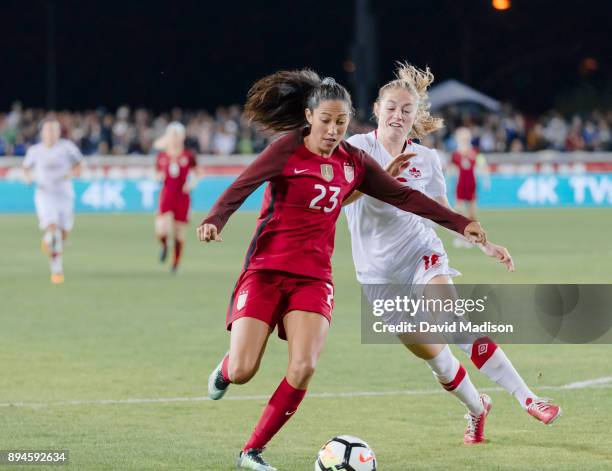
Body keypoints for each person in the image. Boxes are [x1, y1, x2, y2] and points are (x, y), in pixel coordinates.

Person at [198, 69, 487, 471]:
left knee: (305, 366)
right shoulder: (286, 150)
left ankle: (251, 451)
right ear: (309, 116)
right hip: (265, 270)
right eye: (326, 121)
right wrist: (216, 218)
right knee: (245, 368)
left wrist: (460, 223)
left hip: (314, 278)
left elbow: (405, 196)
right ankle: (227, 370)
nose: (334, 130)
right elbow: (243, 185)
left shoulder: (355, 162)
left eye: (342, 122)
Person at [343, 63, 561, 445]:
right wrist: (379, 179)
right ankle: (477, 407)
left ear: (414, 117)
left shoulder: (427, 160)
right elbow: (338, 199)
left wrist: (485, 243)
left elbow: (444, 211)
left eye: (406, 110)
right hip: (376, 274)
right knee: (437, 359)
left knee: (455, 323)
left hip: (420, 254)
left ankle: (529, 398)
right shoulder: (356, 150)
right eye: (391, 107)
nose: (398, 115)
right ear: (376, 110)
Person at [23, 118, 83, 284]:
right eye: (47, 130)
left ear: (58, 132)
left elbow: (79, 165)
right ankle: (56, 270)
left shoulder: (67, 148)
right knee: (53, 229)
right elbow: (26, 168)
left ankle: (49, 242)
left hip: (64, 194)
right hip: (45, 194)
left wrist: (72, 174)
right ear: (42, 133)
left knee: (63, 234)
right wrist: (28, 178)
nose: (50, 134)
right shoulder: (35, 150)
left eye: (53, 130)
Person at [154, 122, 198, 273]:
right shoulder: (161, 156)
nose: (174, 138)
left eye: (177, 135)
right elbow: (156, 173)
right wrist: (158, 177)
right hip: (167, 195)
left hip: (182, 197)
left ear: (182, 137)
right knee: (161, 229)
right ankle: (164, 245)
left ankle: (175, 263)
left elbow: (198, 172)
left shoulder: (188, 156)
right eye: (172, 135)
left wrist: (191, 184)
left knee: (179, 232)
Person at [450, 127, 489, 248]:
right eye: (462, 136)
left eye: (466, 136)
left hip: (471, 186)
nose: (464, 139)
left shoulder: (475, 152)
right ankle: (460, 238)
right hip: (460, 187)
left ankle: (472, 238)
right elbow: (451, 169)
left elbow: (482, 165)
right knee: (459, 214)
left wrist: (486, 178)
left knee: (472, 215)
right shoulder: (455, 154)